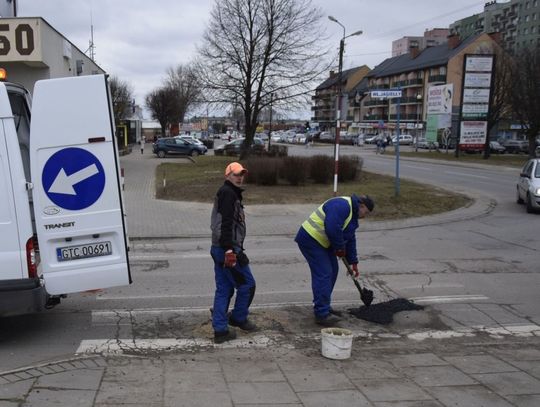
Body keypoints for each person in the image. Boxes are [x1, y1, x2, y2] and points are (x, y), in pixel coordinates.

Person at [295, 194, 375, 326]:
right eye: (366, 212)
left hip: (325, 243)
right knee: (324, 273)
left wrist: (353, 261)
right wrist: (339, 248)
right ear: (362, 206)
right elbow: (332, 227)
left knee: (333, 271)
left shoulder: (353, 216)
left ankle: (324, 306)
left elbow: (350, 238)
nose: (365, 216)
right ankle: (321, 314)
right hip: (311, 239)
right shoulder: (342, 206)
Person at [210, 162, 257, 343]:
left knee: (224, 289)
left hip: (219, 248)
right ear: (227, 175)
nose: (240, 177)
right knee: (248, 285)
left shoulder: (230, 193)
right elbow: (225, 224)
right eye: (236, 174)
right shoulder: (228, 194)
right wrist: (230, 250)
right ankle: (238, 318)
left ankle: (220, 330)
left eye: (242, 174)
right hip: (226, 249)